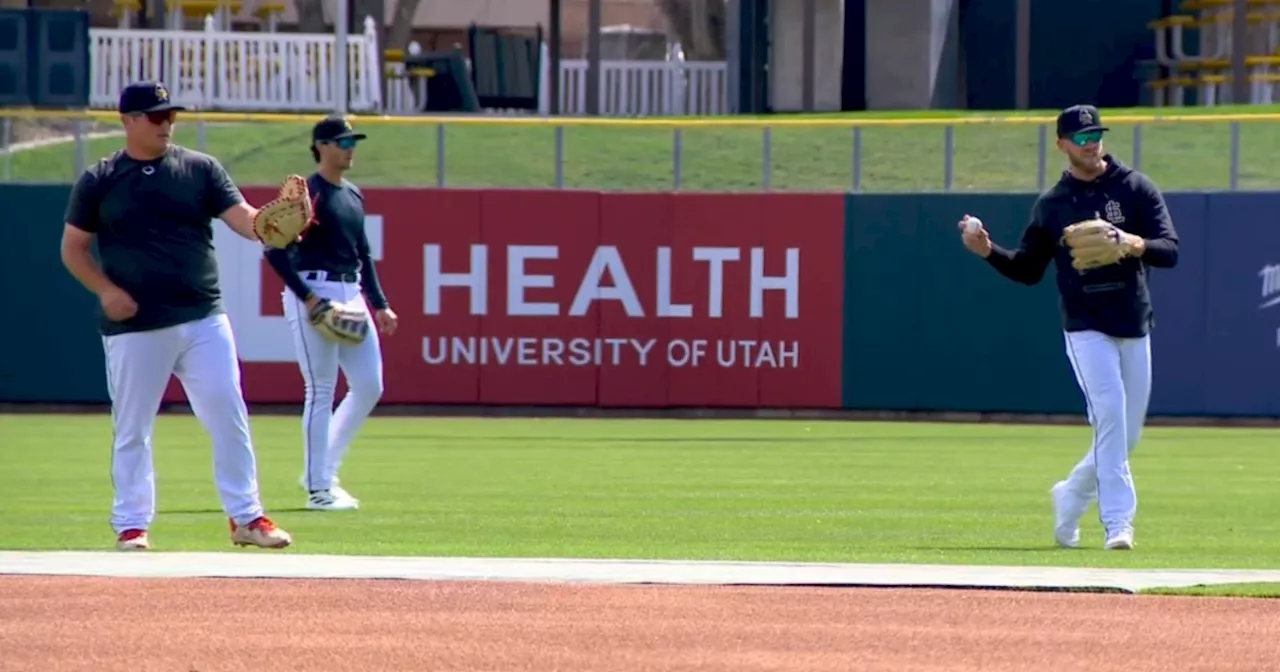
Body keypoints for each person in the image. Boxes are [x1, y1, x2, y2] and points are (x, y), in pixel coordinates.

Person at [59, 81, 293, 551]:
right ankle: (131, 523)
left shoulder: (199, 169)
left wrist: (272, 224)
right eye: (157, 116)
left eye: (171, 116)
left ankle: (247, 517)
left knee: (228, 413)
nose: (168, 123)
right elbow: (73, 249)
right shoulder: (101, 179)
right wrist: (105, 290)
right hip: (137, 323)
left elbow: (243, 218)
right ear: (128, 121)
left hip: (203, 314)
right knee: (133, 427)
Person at [957, 104, 1179, 551]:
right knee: (1111, 415)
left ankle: (1073, 492)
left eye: (1095, 133)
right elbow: (1027, 269)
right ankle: (1119, 522)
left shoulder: (1135, 188)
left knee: (1127, 433)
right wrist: (987, 251)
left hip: (1134, 321)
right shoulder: (1054, 205)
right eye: (1080, 137)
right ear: (1062, 145)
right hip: (1085, 326)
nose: (1090, 142)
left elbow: (1169, 250)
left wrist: (1131, 242)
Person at [263, 116, 396, 512]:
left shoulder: (353, 195)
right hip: (313, 289)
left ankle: (323, 470)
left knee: (369, 385)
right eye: (342, 141)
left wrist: (380, 303)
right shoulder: (308, 194)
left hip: (350, 291)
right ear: (321, 146)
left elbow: (364, 253)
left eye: (353, 140)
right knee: (321, 389)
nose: (350, 147)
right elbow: (273, 251)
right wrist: (307, 298)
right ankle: (319, 489)